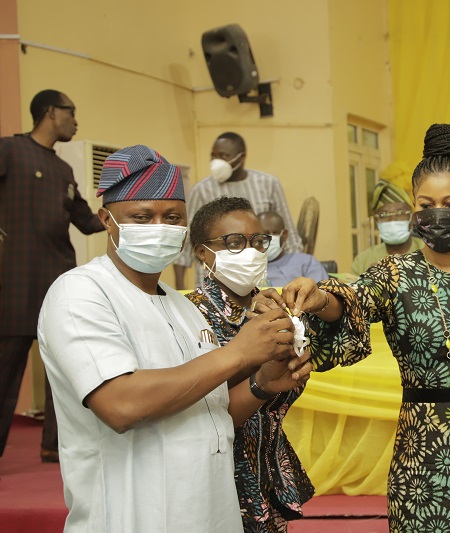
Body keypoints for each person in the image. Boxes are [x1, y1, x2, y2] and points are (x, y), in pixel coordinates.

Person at [273, 124, 450, 532]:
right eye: (426, 204)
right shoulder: (395, 274)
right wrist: (322, 298)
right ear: (414, 209)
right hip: (425, 466)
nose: (438, 213)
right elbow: (355, 301)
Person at [37, 145, 312, 532]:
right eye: (141, 216)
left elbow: (211, 418)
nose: (159, 227)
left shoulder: (183, 309)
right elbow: (121, 404)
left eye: (171, 217)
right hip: (132, 517)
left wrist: (262, 385)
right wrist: (238, 354)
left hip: (209, 515)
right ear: (106, 220)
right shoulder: (81, 292)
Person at [186, 197, 313, 532]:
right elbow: (203, 406)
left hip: (265, 473)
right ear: (202, 252)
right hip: (219, 476)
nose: (251, 252)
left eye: (258, 242)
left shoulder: (275, 308)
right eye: (234, 243)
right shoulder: (190, 314)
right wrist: (259, 376)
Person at [0, 89, 104, 462]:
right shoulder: (9, 150)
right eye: (71, 112)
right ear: (49, 113)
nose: (75, 121)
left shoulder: (63, 169)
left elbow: (89, 222)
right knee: (5, 370)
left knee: (63, 367)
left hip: (57, 282)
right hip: (13, 280)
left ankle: (54, 446)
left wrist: (124, 209)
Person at [173, 131, 303, 289]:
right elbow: (185, 245)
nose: (216, 161)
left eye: (223, 155)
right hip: (213, 284)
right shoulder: (201, 190)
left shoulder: (268, 184)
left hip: (260, 279)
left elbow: (289, 237)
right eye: (213, 156)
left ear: (241, 157)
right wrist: (180, 290)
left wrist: (295, 275)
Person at [351, 178, 424, 275]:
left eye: (400, 213)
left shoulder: (430, 252)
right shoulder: (362, 261)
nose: (393, 219)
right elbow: (349, 289)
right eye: (384, 215)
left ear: (412, 217)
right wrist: (368, 283)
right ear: (377, 221)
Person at [258, 211, 329, 286]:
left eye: (272, 233)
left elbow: (322, 293)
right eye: (261, 235)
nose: (265, 238)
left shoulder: (307, 263)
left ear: (284, 234)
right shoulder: (250, 267)